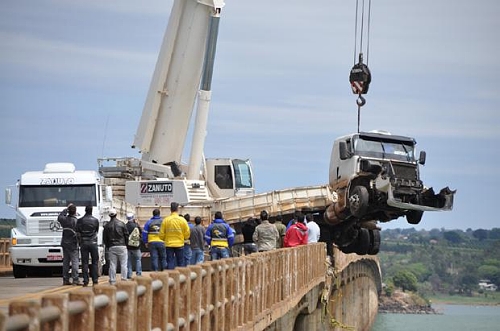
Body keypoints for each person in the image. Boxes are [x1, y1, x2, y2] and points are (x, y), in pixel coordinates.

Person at [159, 202, 190, 269]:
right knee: (181, 262)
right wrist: (184, 238)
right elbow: (187, 233)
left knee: (170, 262)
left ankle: (170, 277)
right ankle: (181, 277)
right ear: (177, 209)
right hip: (180, 244)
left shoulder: (166, 220)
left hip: (169, 244)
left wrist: (165, 239)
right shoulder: (182, 220)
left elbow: (161, 234)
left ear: (170, 209)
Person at [103, 208, 129, 285]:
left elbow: (105, 238)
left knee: (112, 264)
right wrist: (126, 244)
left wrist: (108, 246)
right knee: (123, 264)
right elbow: (126, 235)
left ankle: (112, 280)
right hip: (122, 246)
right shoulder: (122, 224)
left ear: (109, 215)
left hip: (112, 246)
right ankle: (124, 279)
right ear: (116, 214)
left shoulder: (107, 226)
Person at [76, 205, 99, 287]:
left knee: (84, 262)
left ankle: (86, 281)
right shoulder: (95, 220)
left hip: (84, 242)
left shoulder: (80, 220)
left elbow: (77, 232)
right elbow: (97, 231)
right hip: (93, 243)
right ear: (91, 210)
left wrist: (80, 242)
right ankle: (95, 280)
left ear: (85, 210)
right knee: (95, 262)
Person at [58, 203, 81, 286]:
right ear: (75, 212)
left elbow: (59, 216)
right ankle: (75, 279)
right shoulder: (76, 221)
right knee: (75, 262)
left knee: (66, 262)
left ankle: (65, 279)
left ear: (68, 211)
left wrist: (66, 209)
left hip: (64, 243)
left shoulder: (64, 220)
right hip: (73, 244)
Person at [125, 212, 142, 279]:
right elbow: (140, 234)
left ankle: (129, 274)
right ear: (133, 218)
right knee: (138, 260)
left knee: (128, 261)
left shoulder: (125, 226)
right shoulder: (136, 226)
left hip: (128, 246)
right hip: (136, 246)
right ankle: (138, 274)